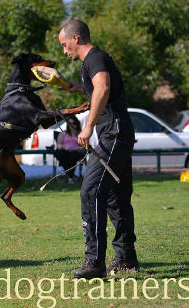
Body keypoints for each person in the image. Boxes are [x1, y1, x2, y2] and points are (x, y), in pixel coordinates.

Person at [58, 19, 138, 279]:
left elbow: (103, 88)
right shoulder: (93, 62)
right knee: (117, 195)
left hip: (113, 131)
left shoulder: (95, 57)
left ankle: (94, 262)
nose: (64, 50)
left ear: (76, 39)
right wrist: (77, 87)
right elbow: (97, 89)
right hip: (119, 130)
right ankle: (126, 258)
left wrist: (88, 127)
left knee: (91, 191)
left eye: (64, 44)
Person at [54, 116, 85, 184]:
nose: (72, 125)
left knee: (73, 156)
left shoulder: (80, 134)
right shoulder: (63, 133)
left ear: (77, 124)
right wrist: (66, 148)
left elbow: (84, 145)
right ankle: (71, 176)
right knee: (63, 155)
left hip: (75, 152)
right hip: (65, 151)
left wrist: (79, 148)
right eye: (69, 123)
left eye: (73, 123)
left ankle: (70, 176)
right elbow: (59, 145)